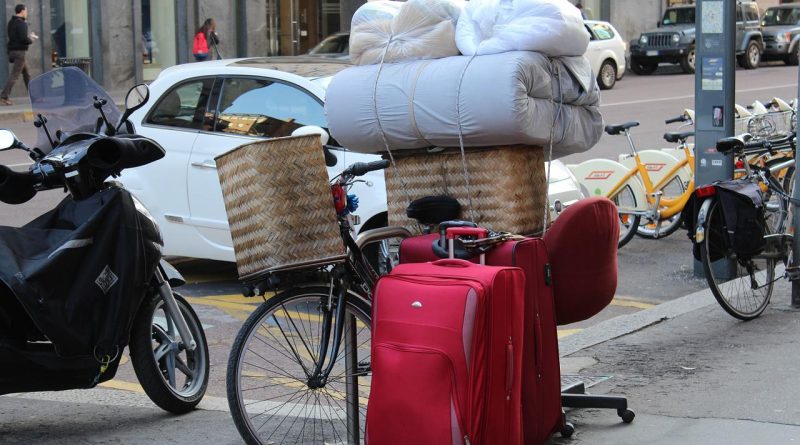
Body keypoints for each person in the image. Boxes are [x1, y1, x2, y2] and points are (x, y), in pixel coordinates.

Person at [1, 4, 37, 106]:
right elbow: (23, 39)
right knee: (14, 75)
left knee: (26, 74)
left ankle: (34, 97)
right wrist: (31, 39)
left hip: (13, 51)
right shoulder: (22, 23)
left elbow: (15, 37)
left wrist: (27, 37)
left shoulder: (11, 22)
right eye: (26, 10)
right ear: (21, 11)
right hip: (19, 53)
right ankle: (3, 97)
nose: (27, 12)